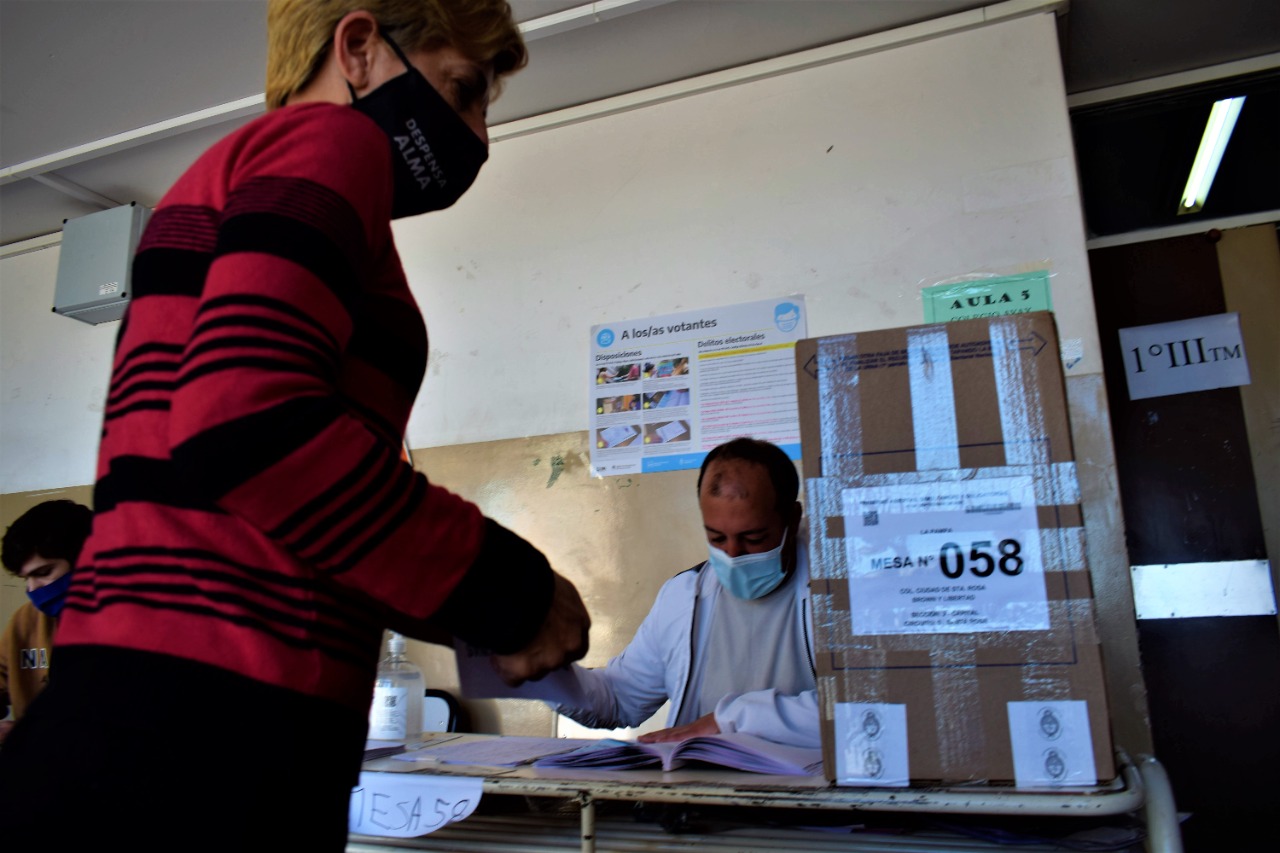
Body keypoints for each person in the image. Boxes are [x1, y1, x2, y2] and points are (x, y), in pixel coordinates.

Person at [0, 1, 589, 848]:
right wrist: (509, 587)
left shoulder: (231, 173)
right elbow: (248, 422)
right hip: (206, 731)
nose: (479, 138)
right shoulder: (330, 140)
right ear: (357, 47)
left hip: (144, 714)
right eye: (463, 91)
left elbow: (253, 503)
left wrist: (464, 615)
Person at [557, 437, 818, 748]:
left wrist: (729, 720)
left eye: (754, 537)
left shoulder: (838, 592)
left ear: (792, 518)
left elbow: (868, 709)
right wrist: (547, 674)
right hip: (698, 788)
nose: (733, 555)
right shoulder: (683, 598)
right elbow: (618, 700)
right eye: (717, 538)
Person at [0, 501, 93, 744]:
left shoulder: (141, 622)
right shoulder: (26, 620)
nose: (33, 590)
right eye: (26, 579)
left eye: (43, 573)